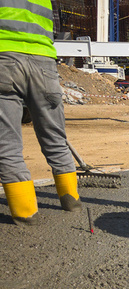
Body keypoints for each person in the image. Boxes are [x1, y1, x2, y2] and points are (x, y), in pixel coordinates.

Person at [0, 0, 82, 225]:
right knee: (55, 139)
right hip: (44, 62)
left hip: (4, 59)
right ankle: (72, 202)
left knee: (7, 146)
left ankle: (26, 216)